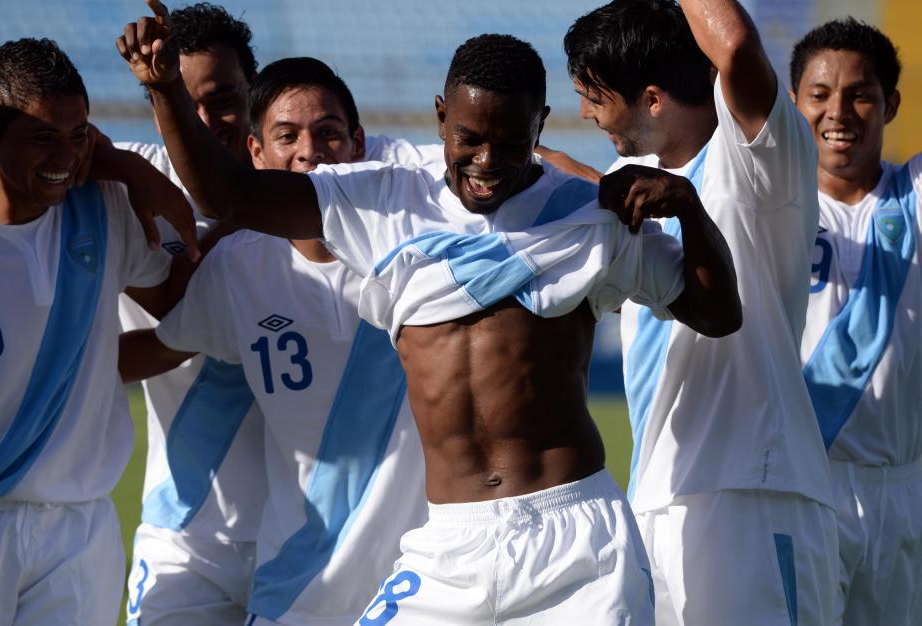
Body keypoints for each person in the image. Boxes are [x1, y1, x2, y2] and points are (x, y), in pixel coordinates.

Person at [118, 3, 741, 621]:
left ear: (540, 125)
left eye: (509, 141)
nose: (487, 162)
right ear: (442, 118)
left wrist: (688, 208)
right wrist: (166, 86)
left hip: (577, 538)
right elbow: (229, 192)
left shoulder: (593, 217)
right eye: (468, 139)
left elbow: (718, 314)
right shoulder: (383, 201)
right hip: (448, 546)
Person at [120, 55, 436, 626]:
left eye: (329, 133)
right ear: (255, 153)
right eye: (286, 136)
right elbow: (166, 342)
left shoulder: (423, 249)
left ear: (359, 143)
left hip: (418, 581)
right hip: (294, 584)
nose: (309, 149)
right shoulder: (235, 268)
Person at [563, 1, 837, 624]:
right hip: (655, 497)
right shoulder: (629, 177)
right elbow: (567, 179)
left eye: (595, 97)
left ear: (653, 99)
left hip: (752, 492)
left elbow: (736, 46)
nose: (585, 113)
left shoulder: (757, 158)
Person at [0, 37, 196, 625]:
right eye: (44, 138)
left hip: (81, 532)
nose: (67, 157)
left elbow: (187, 307)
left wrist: (132, 172)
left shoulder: (101, 207)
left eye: (80, 136)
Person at [115, 6, 267, 625]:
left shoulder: (313, 194)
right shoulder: (122, 187)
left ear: (256, 95)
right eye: (181, 96)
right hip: (183, 540)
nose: (206, 120)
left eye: (225, 99)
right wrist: (118, 164)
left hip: (311, 536)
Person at [791, 18, 922, 625]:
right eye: (819, 94)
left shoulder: (914, 195)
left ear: (890, 104)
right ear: (795, 102)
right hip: (802, 486)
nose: (837, 111)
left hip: (904, 489)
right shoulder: (770, 205)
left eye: (859, 94)